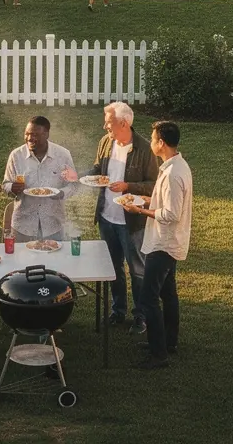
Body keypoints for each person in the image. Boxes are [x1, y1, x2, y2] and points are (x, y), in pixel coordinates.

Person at [63, 102, 157, 333]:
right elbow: (98, 171)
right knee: (113, 268)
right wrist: (79, 176)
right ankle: (118, 310)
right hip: (107, 218)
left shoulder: (144, 148)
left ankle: (141, 316)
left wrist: (128, 186)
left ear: (123, 123)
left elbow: (154, 185)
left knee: (137, 270)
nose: (105, 126)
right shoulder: (106, 142)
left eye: (108, 122)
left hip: (131, 222)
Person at [126, 121, 193, 370]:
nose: (151, 142)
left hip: (163, 244)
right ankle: (168, 342)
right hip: (169, 242)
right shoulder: (176, 166)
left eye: (153, 139)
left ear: (161, 143)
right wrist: (144, 199)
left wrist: (140, 211)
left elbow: (171, 214)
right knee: (168, 294)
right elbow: (164, 201)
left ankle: (158, 354)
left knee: (148, 299)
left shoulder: (173, 174)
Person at [3, 116, 76, 242]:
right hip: (23, 226)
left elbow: (73, 185)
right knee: (22, 256)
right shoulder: (16, 156)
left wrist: (61, 193)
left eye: (35, 134)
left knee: (54, 255)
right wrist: (12, 187)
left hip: (53, 225)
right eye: (27, 134)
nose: (29, 138)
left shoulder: (62, 155)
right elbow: (5, 184)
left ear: (46, 134)